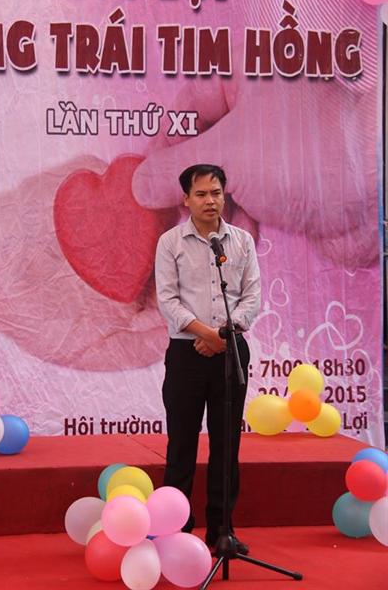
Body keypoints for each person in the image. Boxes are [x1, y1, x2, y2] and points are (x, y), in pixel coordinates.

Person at [154, 163, 261, 554]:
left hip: (231, 351)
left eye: (215, 193)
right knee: (181, 443)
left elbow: (251, 297)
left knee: (226, 445)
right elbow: (167, 299)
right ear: (186, 199)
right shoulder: (171, 242)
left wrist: (224, 337)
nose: (210, 201)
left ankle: (221, 531)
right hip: (187, 352)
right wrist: (205, 334)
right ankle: (176, 532)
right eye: (200, 194)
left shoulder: (241, 241)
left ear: (224, 195)